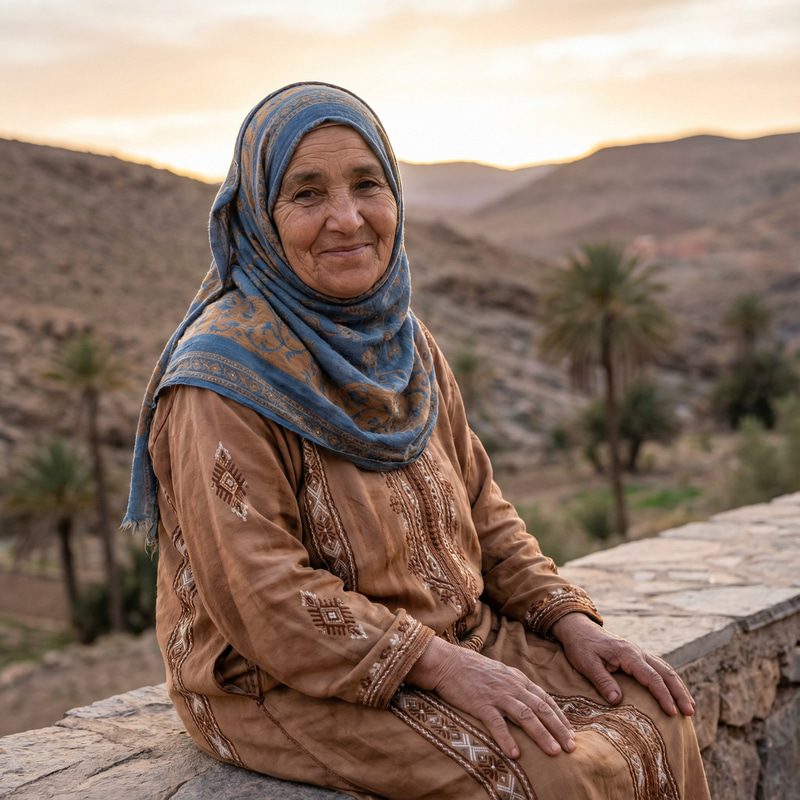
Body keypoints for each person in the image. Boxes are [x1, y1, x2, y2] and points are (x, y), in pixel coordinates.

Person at [124, 82, 710, 800]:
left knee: (656, 709)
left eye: (366, 184)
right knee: (545, 772)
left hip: (457, 640)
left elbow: (483, 510)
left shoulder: (405, 347)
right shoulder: (220, 382)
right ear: (260, 219)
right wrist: (432, 661)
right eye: (307, 195)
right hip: (280, 683)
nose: (346, 218)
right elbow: (263, 595)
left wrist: (567, 619)